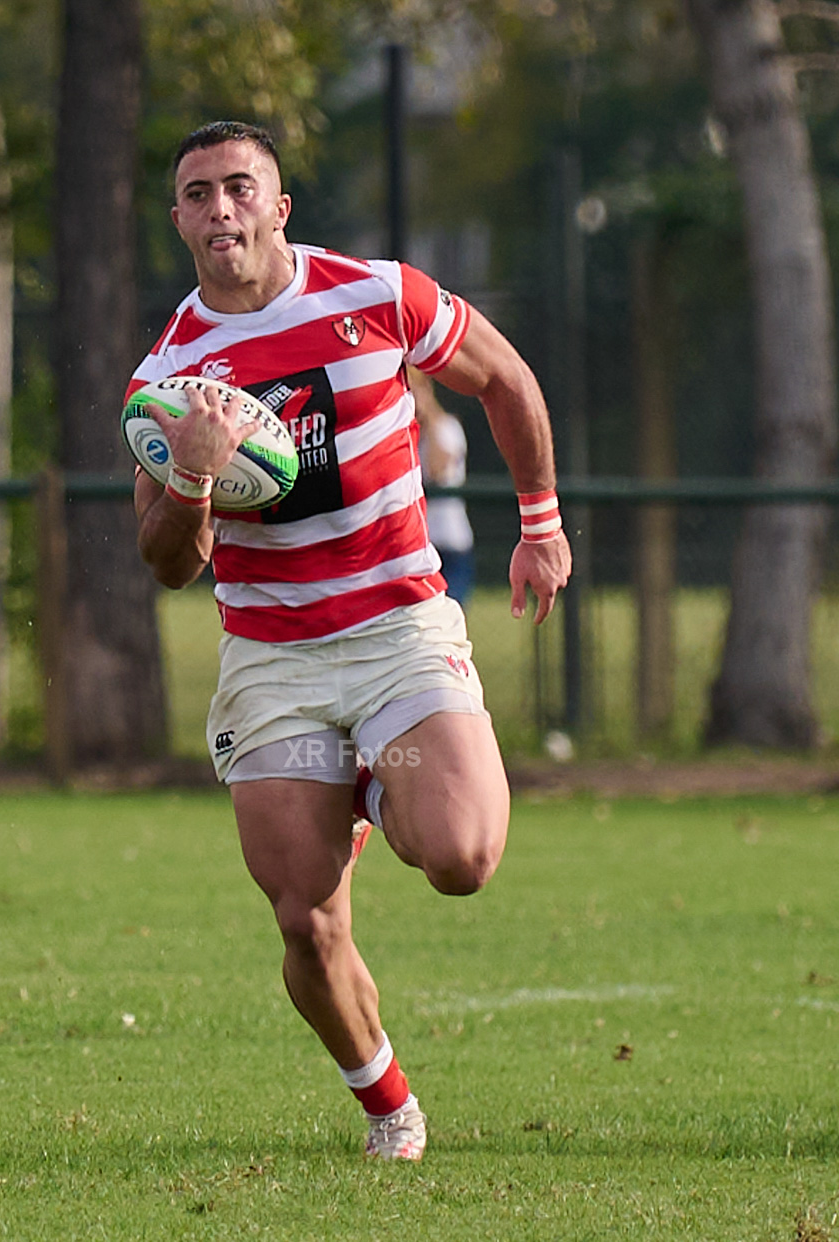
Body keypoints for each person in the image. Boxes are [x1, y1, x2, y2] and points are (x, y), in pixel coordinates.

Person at [130, 121, 571, 1160]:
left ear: (280, 207)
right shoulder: (168, 373)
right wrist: (193, 473)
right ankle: (389, 1109)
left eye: (240, 188)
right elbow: (165, 563)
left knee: (461, 855)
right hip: (273, 662)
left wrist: (541, 523)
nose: (220, 209)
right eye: (198, 195)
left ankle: (373, 784)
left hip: (397, 631)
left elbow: (505, 378)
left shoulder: (378, 295)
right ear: (180, 219)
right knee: (305, 922)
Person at [409, 367, 475, 606]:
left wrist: (430, 418)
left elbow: (437, 469)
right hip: (420, 547)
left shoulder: (448, 428)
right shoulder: (405, 436)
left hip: (451, 544)